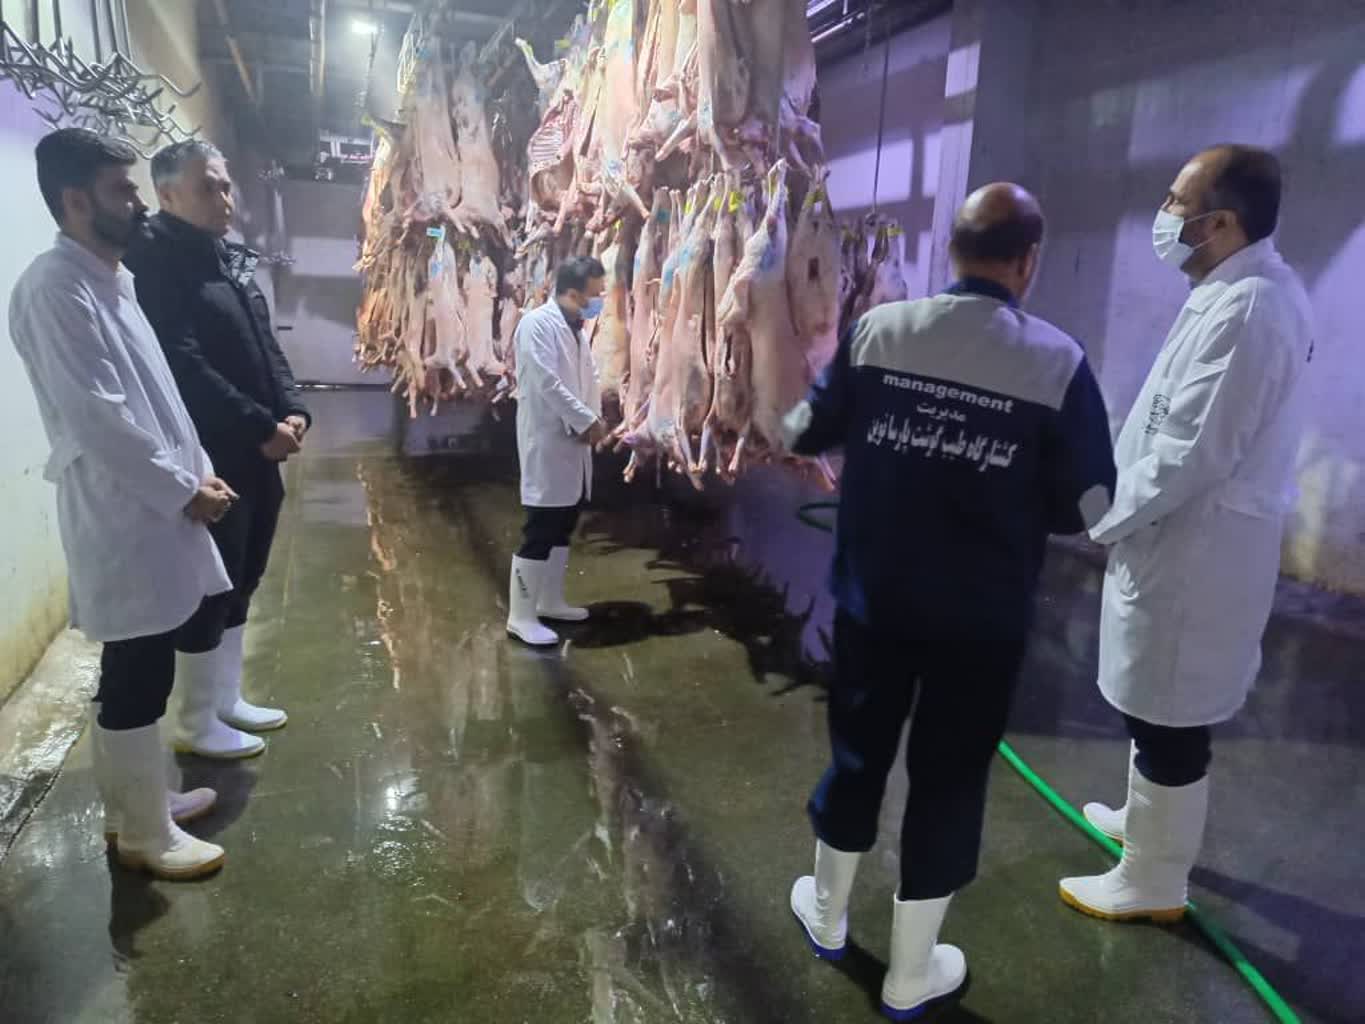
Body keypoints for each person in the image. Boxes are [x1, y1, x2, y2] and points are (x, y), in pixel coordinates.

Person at [784, 184, 1116, 1021]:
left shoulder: (879, 332)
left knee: (856, 756)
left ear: (949, 251)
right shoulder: (1058, 362)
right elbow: (1089, 505)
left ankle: (826, 916)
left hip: (875, 601)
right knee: (950, 778)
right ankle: (910, 971)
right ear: (1027, 262)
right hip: (981, 620)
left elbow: (802, 431)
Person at [1059, 146, 1313, 922]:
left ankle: (1152, 880)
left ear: (1221, 223)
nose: (1164, 215)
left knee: (1170, 715)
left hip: (1197, 548)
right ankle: (1143, 825)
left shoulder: (1249, 310)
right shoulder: (1232, 288)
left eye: (1176, 202)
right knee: (1154, 702)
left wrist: (1101, 516)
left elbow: (1189, 455)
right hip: (1182, 538)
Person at [9, 129, 235, 879]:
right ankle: (145, 835)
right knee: (137, 669)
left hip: (155, 501)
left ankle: (135, 806)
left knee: (142, 662)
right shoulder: (54, 288)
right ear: (76, 201)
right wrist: (181, 488)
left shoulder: (109, 278)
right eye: (123, 190)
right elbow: (99, 416)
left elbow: (157, 399)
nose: (138, 203)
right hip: (123, 509)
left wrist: (198, 472)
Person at [124, 140, 309, 759]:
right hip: (211, 456)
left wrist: (294, 409)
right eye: (209, 187)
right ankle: (197, 721)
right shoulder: (156, 260)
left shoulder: (227, 257)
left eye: (226, 185)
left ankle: (226, 700)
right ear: (167, 194)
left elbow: (266, 345)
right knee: (211, 584)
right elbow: (182, 364)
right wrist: (260, 426)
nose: (225, 198)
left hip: (257, 452)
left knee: (245, 575)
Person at [506, 256, 608, 646]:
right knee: (540, 529)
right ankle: (520, 616)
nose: (600, 300)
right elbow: (546, 382)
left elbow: (589, 379)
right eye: (596, 293)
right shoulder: (536, 324)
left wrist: (593, 419)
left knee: (564, 523)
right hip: (548, 442)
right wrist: (585, 422)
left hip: (574, 444)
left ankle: (549, 601)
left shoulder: (575, 328)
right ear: (573, 292)